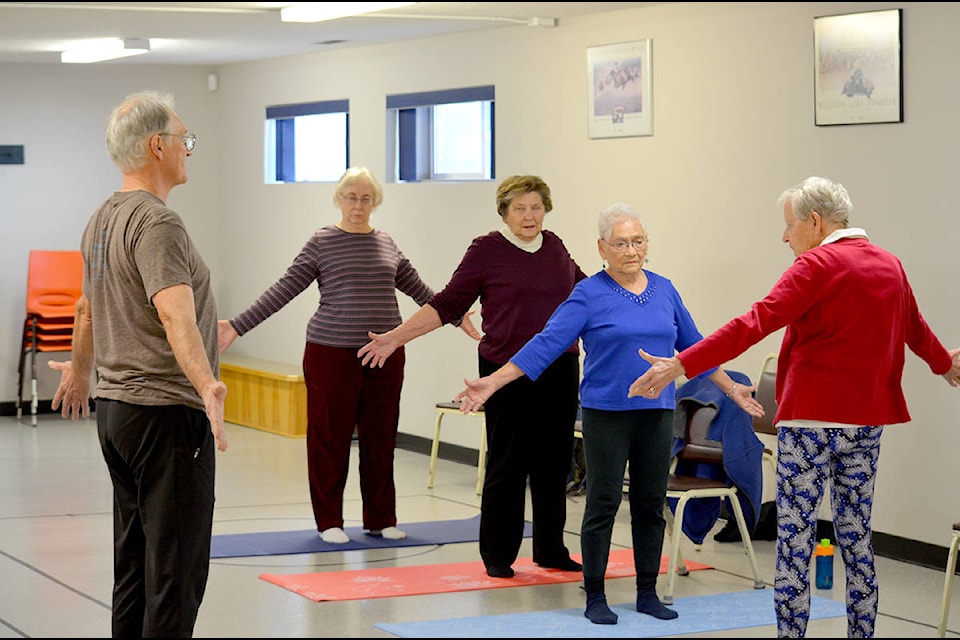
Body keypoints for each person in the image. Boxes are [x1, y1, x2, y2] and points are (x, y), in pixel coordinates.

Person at [628, 176, 960, 638]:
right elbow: (915, 326)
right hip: (865, 425)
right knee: (857, 539)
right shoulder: (890, 264)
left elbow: (755, 321)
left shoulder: (817, 265)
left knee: (796, 545)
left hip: (810, 426)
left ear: (815, 221)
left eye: (789, 226)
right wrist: (945, 364)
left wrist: (681, 364)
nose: (785, 237)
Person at [453, 202, 762, 625]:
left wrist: (732, 389)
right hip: (606, 414)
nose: (631, 250)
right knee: (602, 502)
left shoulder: (665, 289)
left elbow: (696, 348)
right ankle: (595, 595)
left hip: (656, 413)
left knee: (651, 503)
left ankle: (647, 591)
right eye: (621, 243)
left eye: (638, 241)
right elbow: (546, 344)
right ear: (602, 247)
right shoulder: (587, 294)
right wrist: (494, 381)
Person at [48, 90, 228, 638]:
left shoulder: (102, 218)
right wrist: (207, 386)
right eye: (184, 140)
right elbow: (176, 315)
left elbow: (86, 310)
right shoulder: (158, 224)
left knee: (136, 564)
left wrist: (82, 373)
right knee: (175, 572)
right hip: (164, 417)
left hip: (119, 413)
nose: (188, 150)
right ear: (157, 146)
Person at [219, 166, 476, 545]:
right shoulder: (322, 241)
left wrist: (456, 315)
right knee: (329, 439)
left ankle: (380, 518)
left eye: (366, 198)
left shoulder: (386, 242)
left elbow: (420, 290)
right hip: (330, 353)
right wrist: (238, 325)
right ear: (339, 199)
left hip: (385, 355)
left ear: (375, 203)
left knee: (381, 437)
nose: (358, 205)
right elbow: (285, 288)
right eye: (351, 197)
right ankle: (329, 522)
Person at [358, 174, 586, 579]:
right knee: (508, 464)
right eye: (520, 208)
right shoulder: (487, 250)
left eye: (536, 207)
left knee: (554, 465)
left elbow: (587, 294)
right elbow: (447, 303)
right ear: (505, 211)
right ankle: (498, 555)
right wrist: (396, 337)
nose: (529, 215)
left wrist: (629, 286)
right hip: (504, 373)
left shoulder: (555, 248)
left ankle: (551, 549)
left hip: (559, 369)